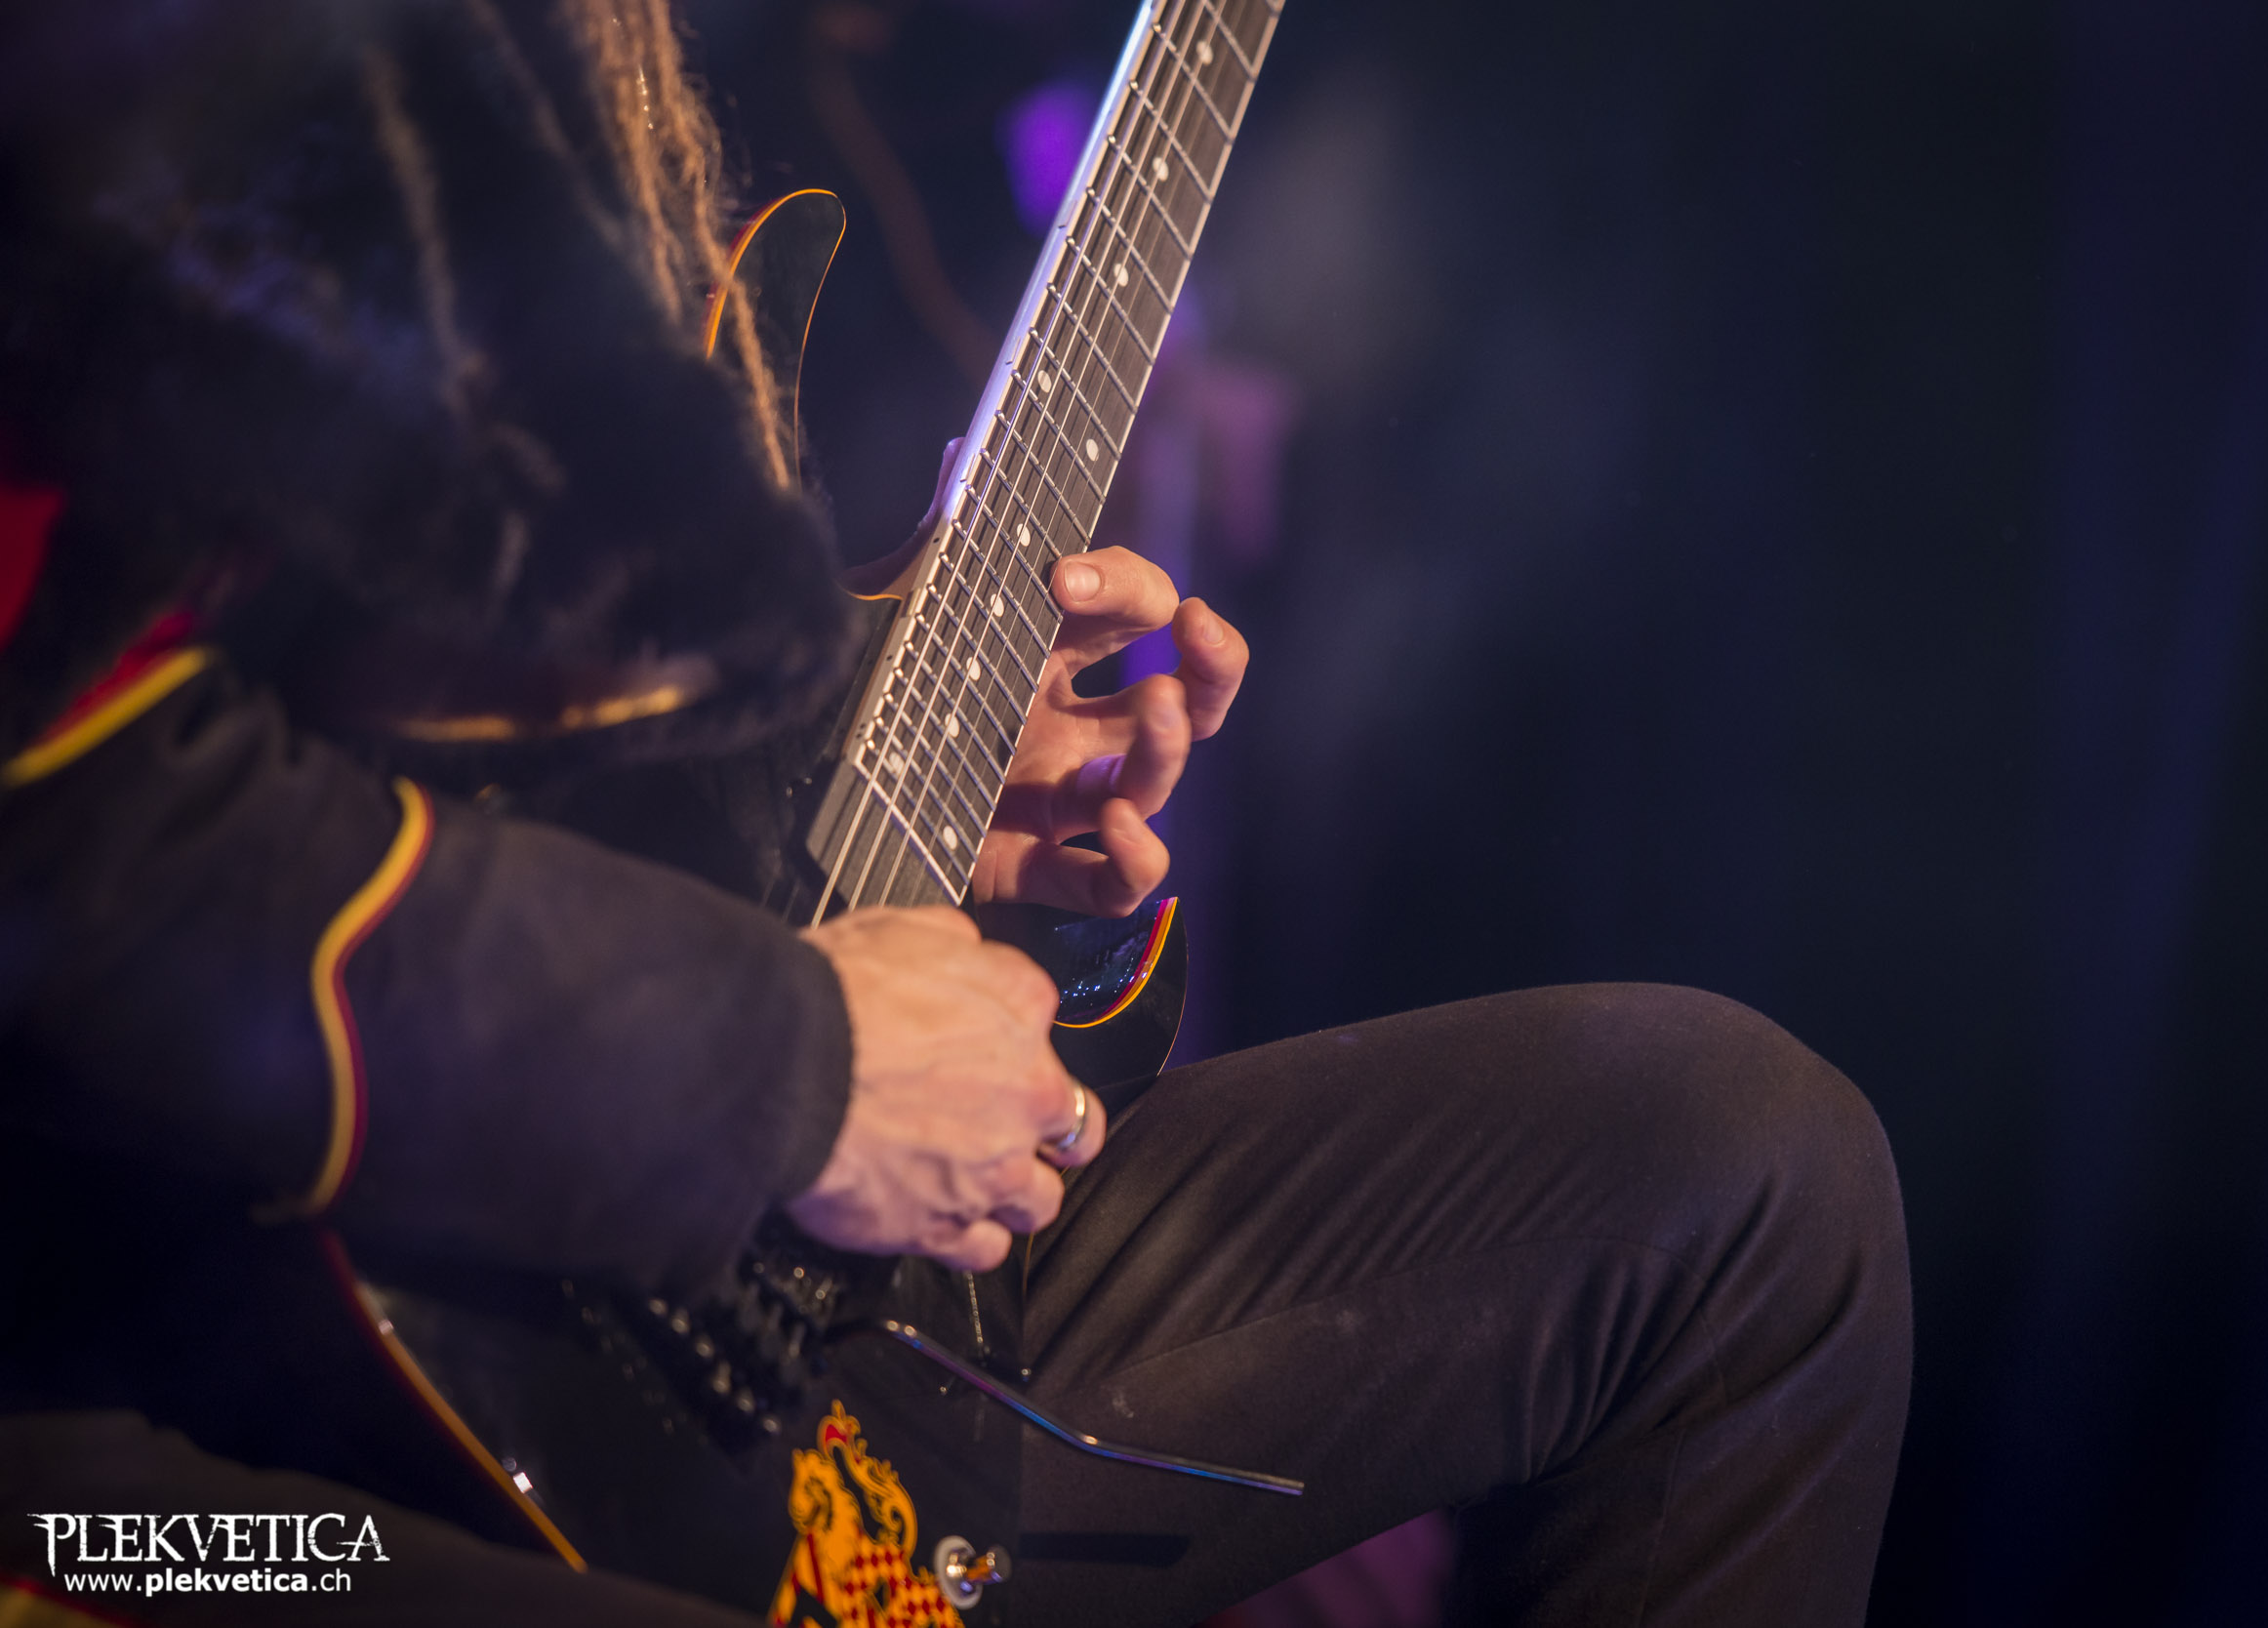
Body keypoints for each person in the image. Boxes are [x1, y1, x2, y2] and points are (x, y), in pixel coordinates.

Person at [0, 3, 1913, 1625]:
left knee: (1740, 1185)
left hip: (700, 1295)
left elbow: (495, 729)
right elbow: (72, 836)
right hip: (180, 1411)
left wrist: (946, 847)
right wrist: (787, 1063)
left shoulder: (682, 78)